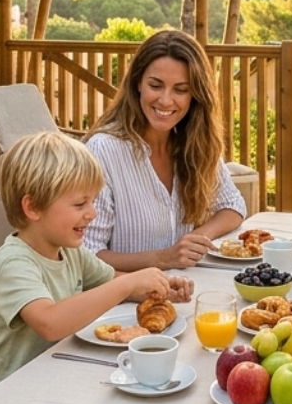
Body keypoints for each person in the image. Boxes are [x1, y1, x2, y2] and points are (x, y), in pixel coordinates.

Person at [0, 130, 194, 395]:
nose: (92, 213)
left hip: (56, 380)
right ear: (33, 208)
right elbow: (50, 323)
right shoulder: (14, 263)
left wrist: (158, 288)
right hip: (8, 399)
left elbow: (112, 281)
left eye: (92, 201)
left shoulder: (69, 251)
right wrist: (126, 285)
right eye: (80, 204)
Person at [82, 30, 247, 271]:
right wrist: (163, 259)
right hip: (126, 301)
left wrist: (194, 240)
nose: (166, 101)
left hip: (185, 288)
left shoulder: (194, 143)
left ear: (195, 95)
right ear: (138, 82)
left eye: (180, 90)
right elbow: (86, 255)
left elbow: (233, 205)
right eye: (156, 85)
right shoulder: (103, 151)